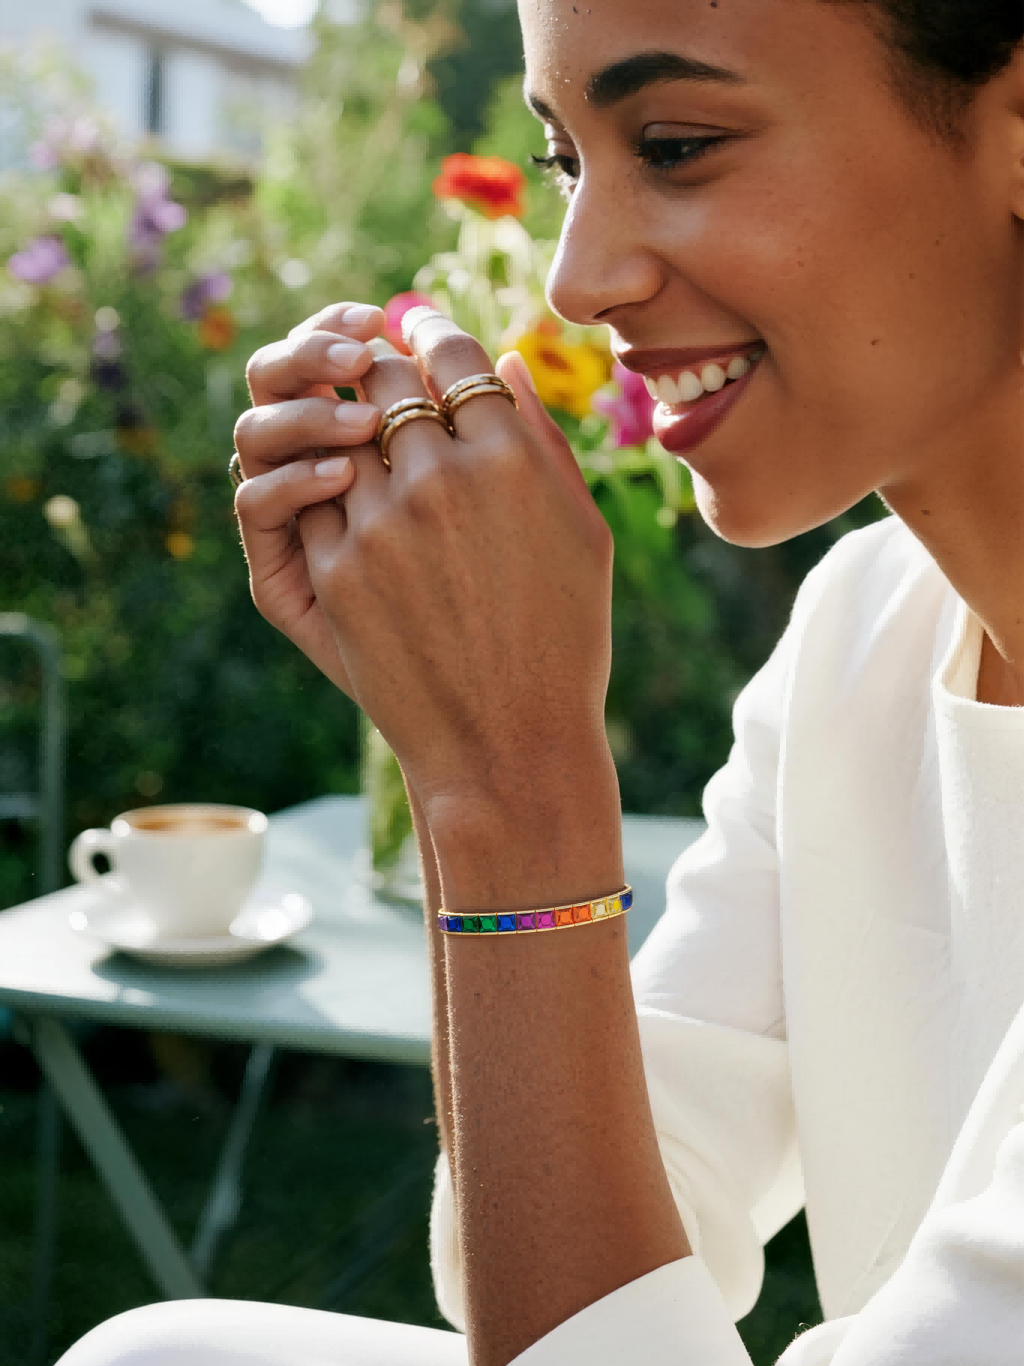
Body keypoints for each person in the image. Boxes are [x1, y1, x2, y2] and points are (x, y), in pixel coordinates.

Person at [58, 0, 1024, 1362]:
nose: (577, 279)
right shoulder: (855, 635)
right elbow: (569, 1241)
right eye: (570, 161)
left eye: (678, 143)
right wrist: (455, 732)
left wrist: (506, 782)